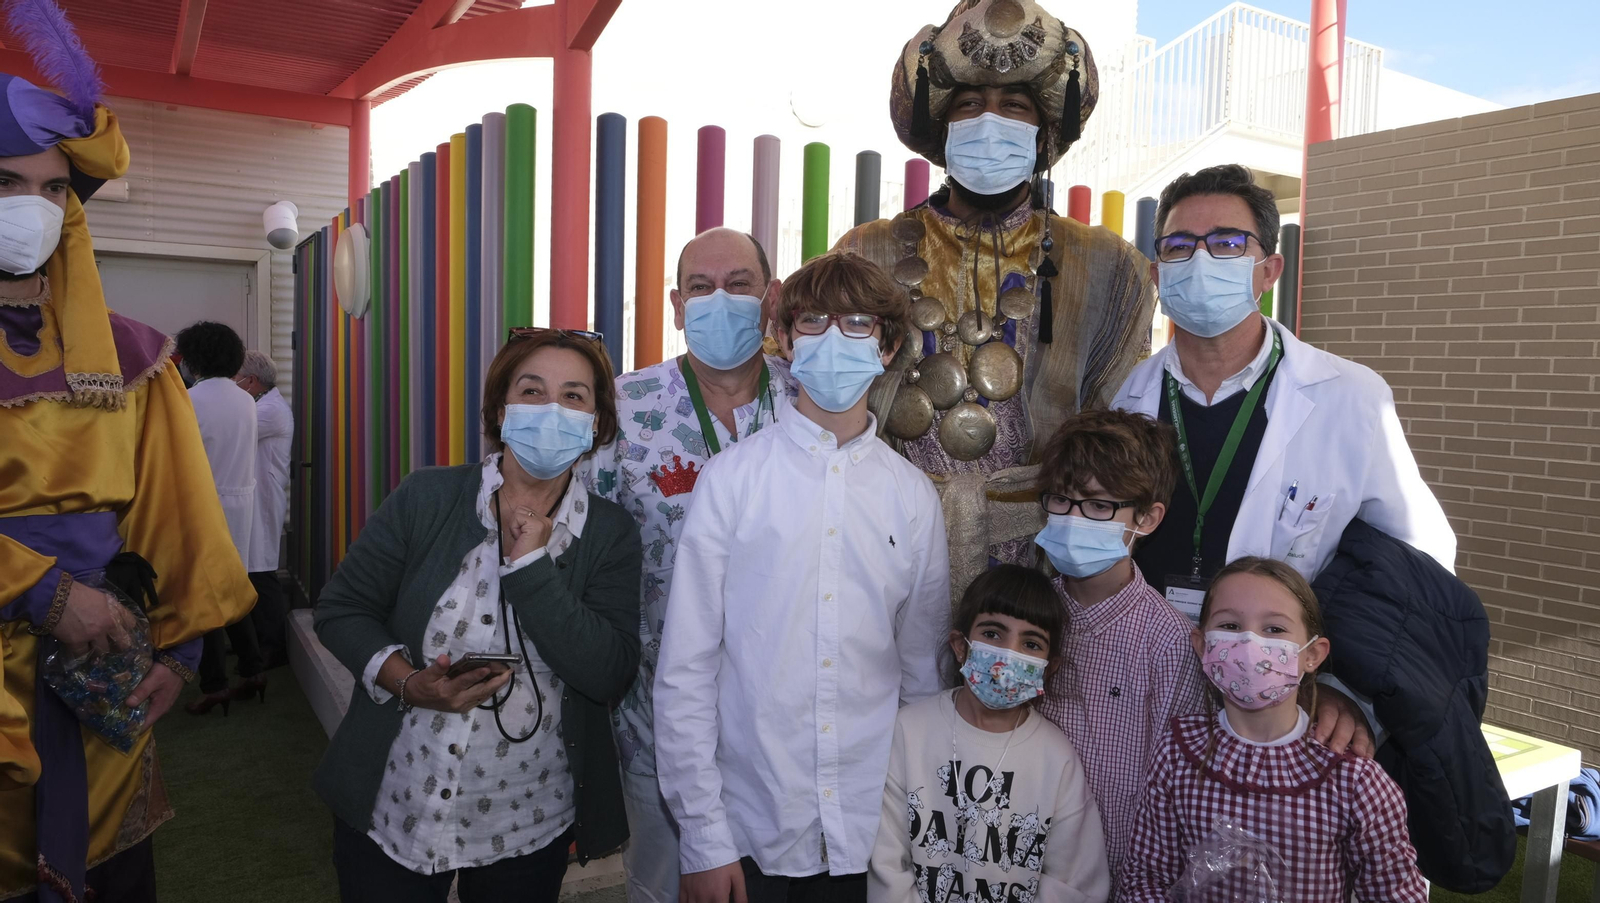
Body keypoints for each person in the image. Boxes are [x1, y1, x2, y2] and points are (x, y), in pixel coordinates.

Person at [0, 4, 255, 898]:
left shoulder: (135, 357)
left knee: (109, 862)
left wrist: (179, 652)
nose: (29, 208)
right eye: (5, 182)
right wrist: (40, 589)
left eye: (51, 189)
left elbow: (176, 509)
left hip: (97, 670)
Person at [1112, 163, 1456, 757]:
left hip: (1285, 700)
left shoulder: (1351, 398)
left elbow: (1419, 562)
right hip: (1145, 685)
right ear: (1157, 273)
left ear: (1268, 271)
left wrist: (1348, 688)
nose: (1201, 259)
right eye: (1179, 245)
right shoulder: (1125, 398)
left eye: (1227, 243)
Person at [654, 250, 950, 903]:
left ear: (888, 347)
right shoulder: (731, 481)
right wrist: (703, 837)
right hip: (751, 827)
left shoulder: (912, 496)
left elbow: (921, 680)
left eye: (858, 323)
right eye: (814, 320)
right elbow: (686, 672)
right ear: (785, 339)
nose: (834, 338)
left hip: (871, 829)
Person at [835, 0, 1156, 599]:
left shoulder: (1109, 265)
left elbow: (1118, 421)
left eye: (1014, 105)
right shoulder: (866, 251)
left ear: (1043, 131)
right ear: (942, 127)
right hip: (885, 537)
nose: (990, 120)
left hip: (1041, 557)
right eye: (969, 104)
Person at [313, 328, 642, 902]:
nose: (552, 410)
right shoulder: (427, 497)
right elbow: (342, 609)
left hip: (529, 819)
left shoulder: (610, 533)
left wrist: (531, 567)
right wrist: (408, 683)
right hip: (397, 803)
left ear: (596, 424)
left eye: (573, 396)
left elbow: (608, 672)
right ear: (501, 410)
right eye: (532, 391)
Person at [584, 227, 796, 903]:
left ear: (771, 298)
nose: (719, 300)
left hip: (786, 728)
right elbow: (581, 552)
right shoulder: (622, 409)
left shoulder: (810, 405)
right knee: (666, 888)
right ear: (677, 306)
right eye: (700, 288)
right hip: (658, 726)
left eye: (738, 284)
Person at [1117, 557, 1428, 902]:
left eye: (1275, 629)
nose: (1249, 643)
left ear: (1312, 655)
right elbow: (1146, 877)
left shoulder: (1353, 780)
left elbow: (1395, 893)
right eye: (1230, 626)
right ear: (1203, 646)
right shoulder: (1177, 753)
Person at [1030, 409, 1207, 884]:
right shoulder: (1027, 619)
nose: (1072, 519)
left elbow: (1180, 785)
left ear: (1146, 518)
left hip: (1122, 872)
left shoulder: (1168, 641)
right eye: (1060, 500)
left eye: (1098, 506)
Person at [868, 564, 1109, 903]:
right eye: (993, 634)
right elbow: (888, 866)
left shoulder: (1056, 758)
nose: (1009, 654)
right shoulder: (909, 732)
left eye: (1031, 643)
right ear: (960, 645)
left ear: (1048, 668)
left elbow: (1075, 882)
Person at [177, 321, 265, 715]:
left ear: (194, 359)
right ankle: (253, 669)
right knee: (234, 588)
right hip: (241, 503)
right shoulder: (246, 400)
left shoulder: (189, 400)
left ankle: (214, 685)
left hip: (204, 504)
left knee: (206, 597)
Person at [237, 349, 293, 668]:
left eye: (235, 377)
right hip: (255, 498)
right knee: (252, 570)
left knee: (262, 572)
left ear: (252, 381)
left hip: (264, 500)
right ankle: (257, 641)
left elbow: (233, 430)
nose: (232, 383)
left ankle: (274, 645)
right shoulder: (261, 404)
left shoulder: (269, 411)